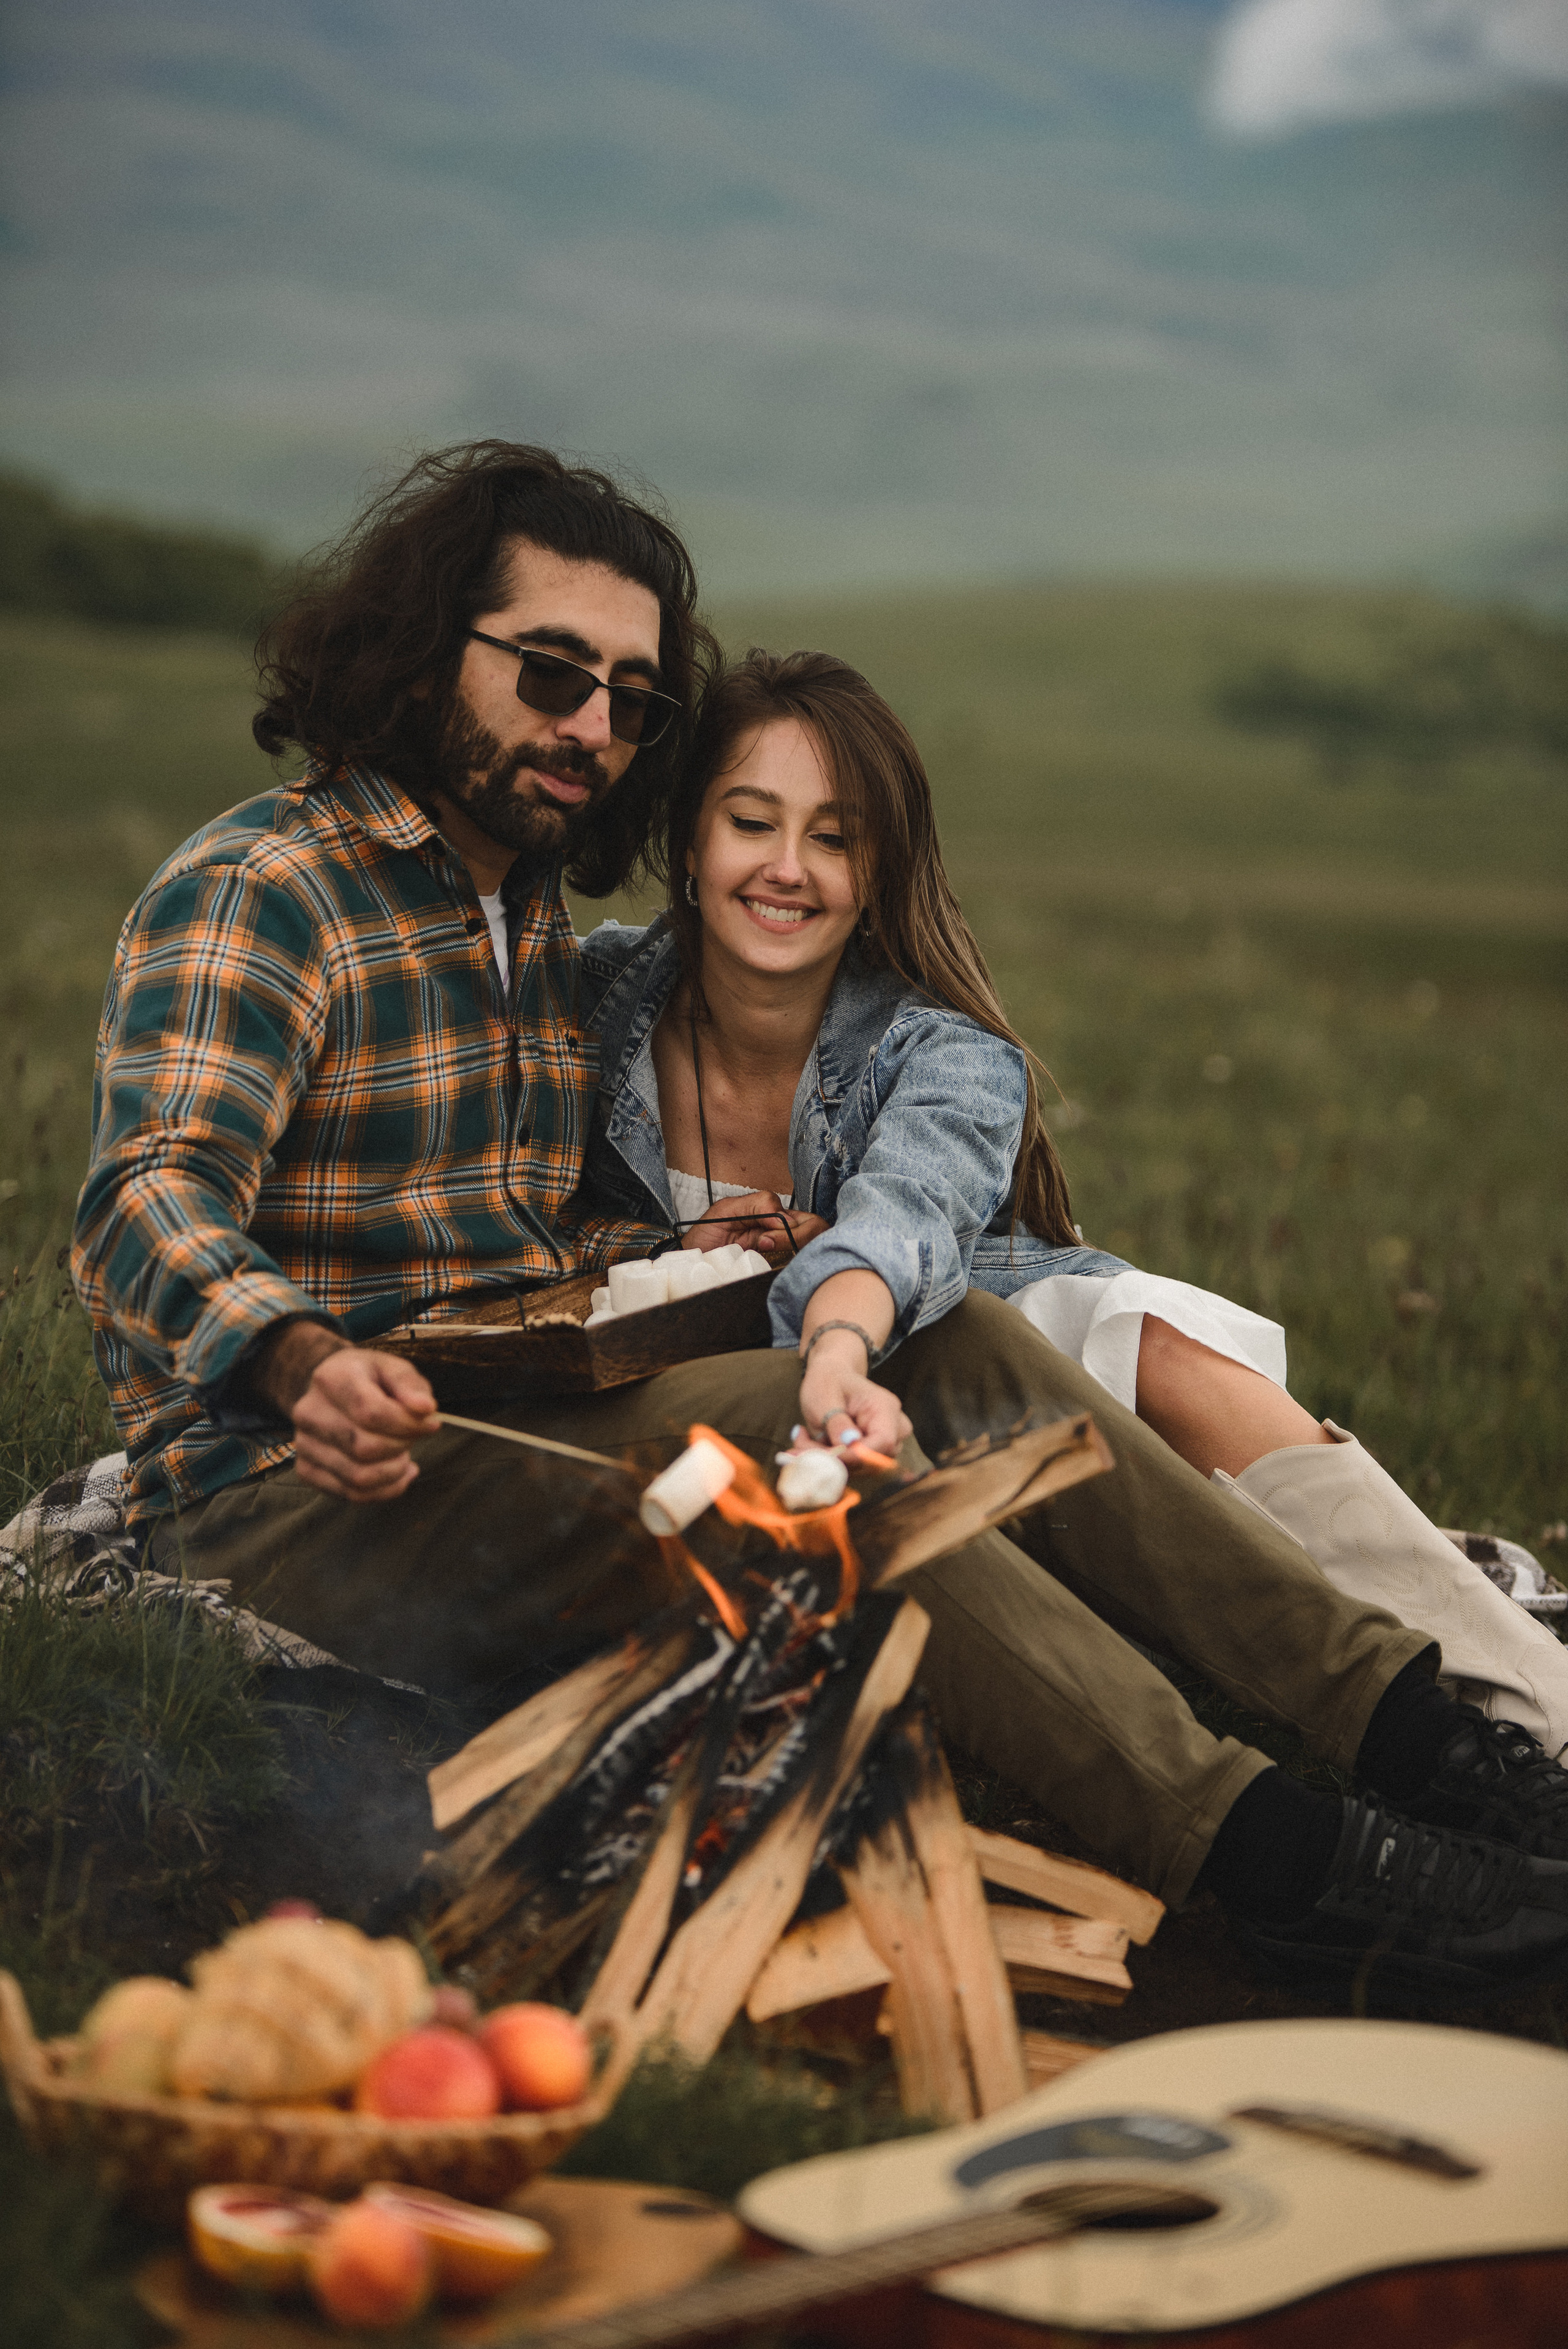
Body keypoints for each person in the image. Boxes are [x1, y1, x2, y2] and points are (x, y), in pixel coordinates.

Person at [71, 442, 1568, 2007]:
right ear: (423, 646)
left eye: (629, 699)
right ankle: (1286, 1867)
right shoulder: (268, 886)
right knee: (792, 1442)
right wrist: (298, 1360)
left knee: (958, 1337)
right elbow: (143, 1195)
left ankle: (1429, 1744)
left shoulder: (519, 920)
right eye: (552, 673)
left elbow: (483, 1249)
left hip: (494, 1421)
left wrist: (716, 1258)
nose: (589, 727)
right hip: (291, 1489)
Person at [579, 647, 1568, 1757]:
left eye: (834, 837)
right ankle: (1439, 1584)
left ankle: (1533, 1689)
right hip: (721, 1424)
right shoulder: (590, 1004)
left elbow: (906, 1213)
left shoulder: (946, 1051)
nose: (787, 868)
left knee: (1140, 1338)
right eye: (753, 821)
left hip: (909, 1366)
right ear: (692, 840)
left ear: (879, 869)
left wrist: (837, 1336)